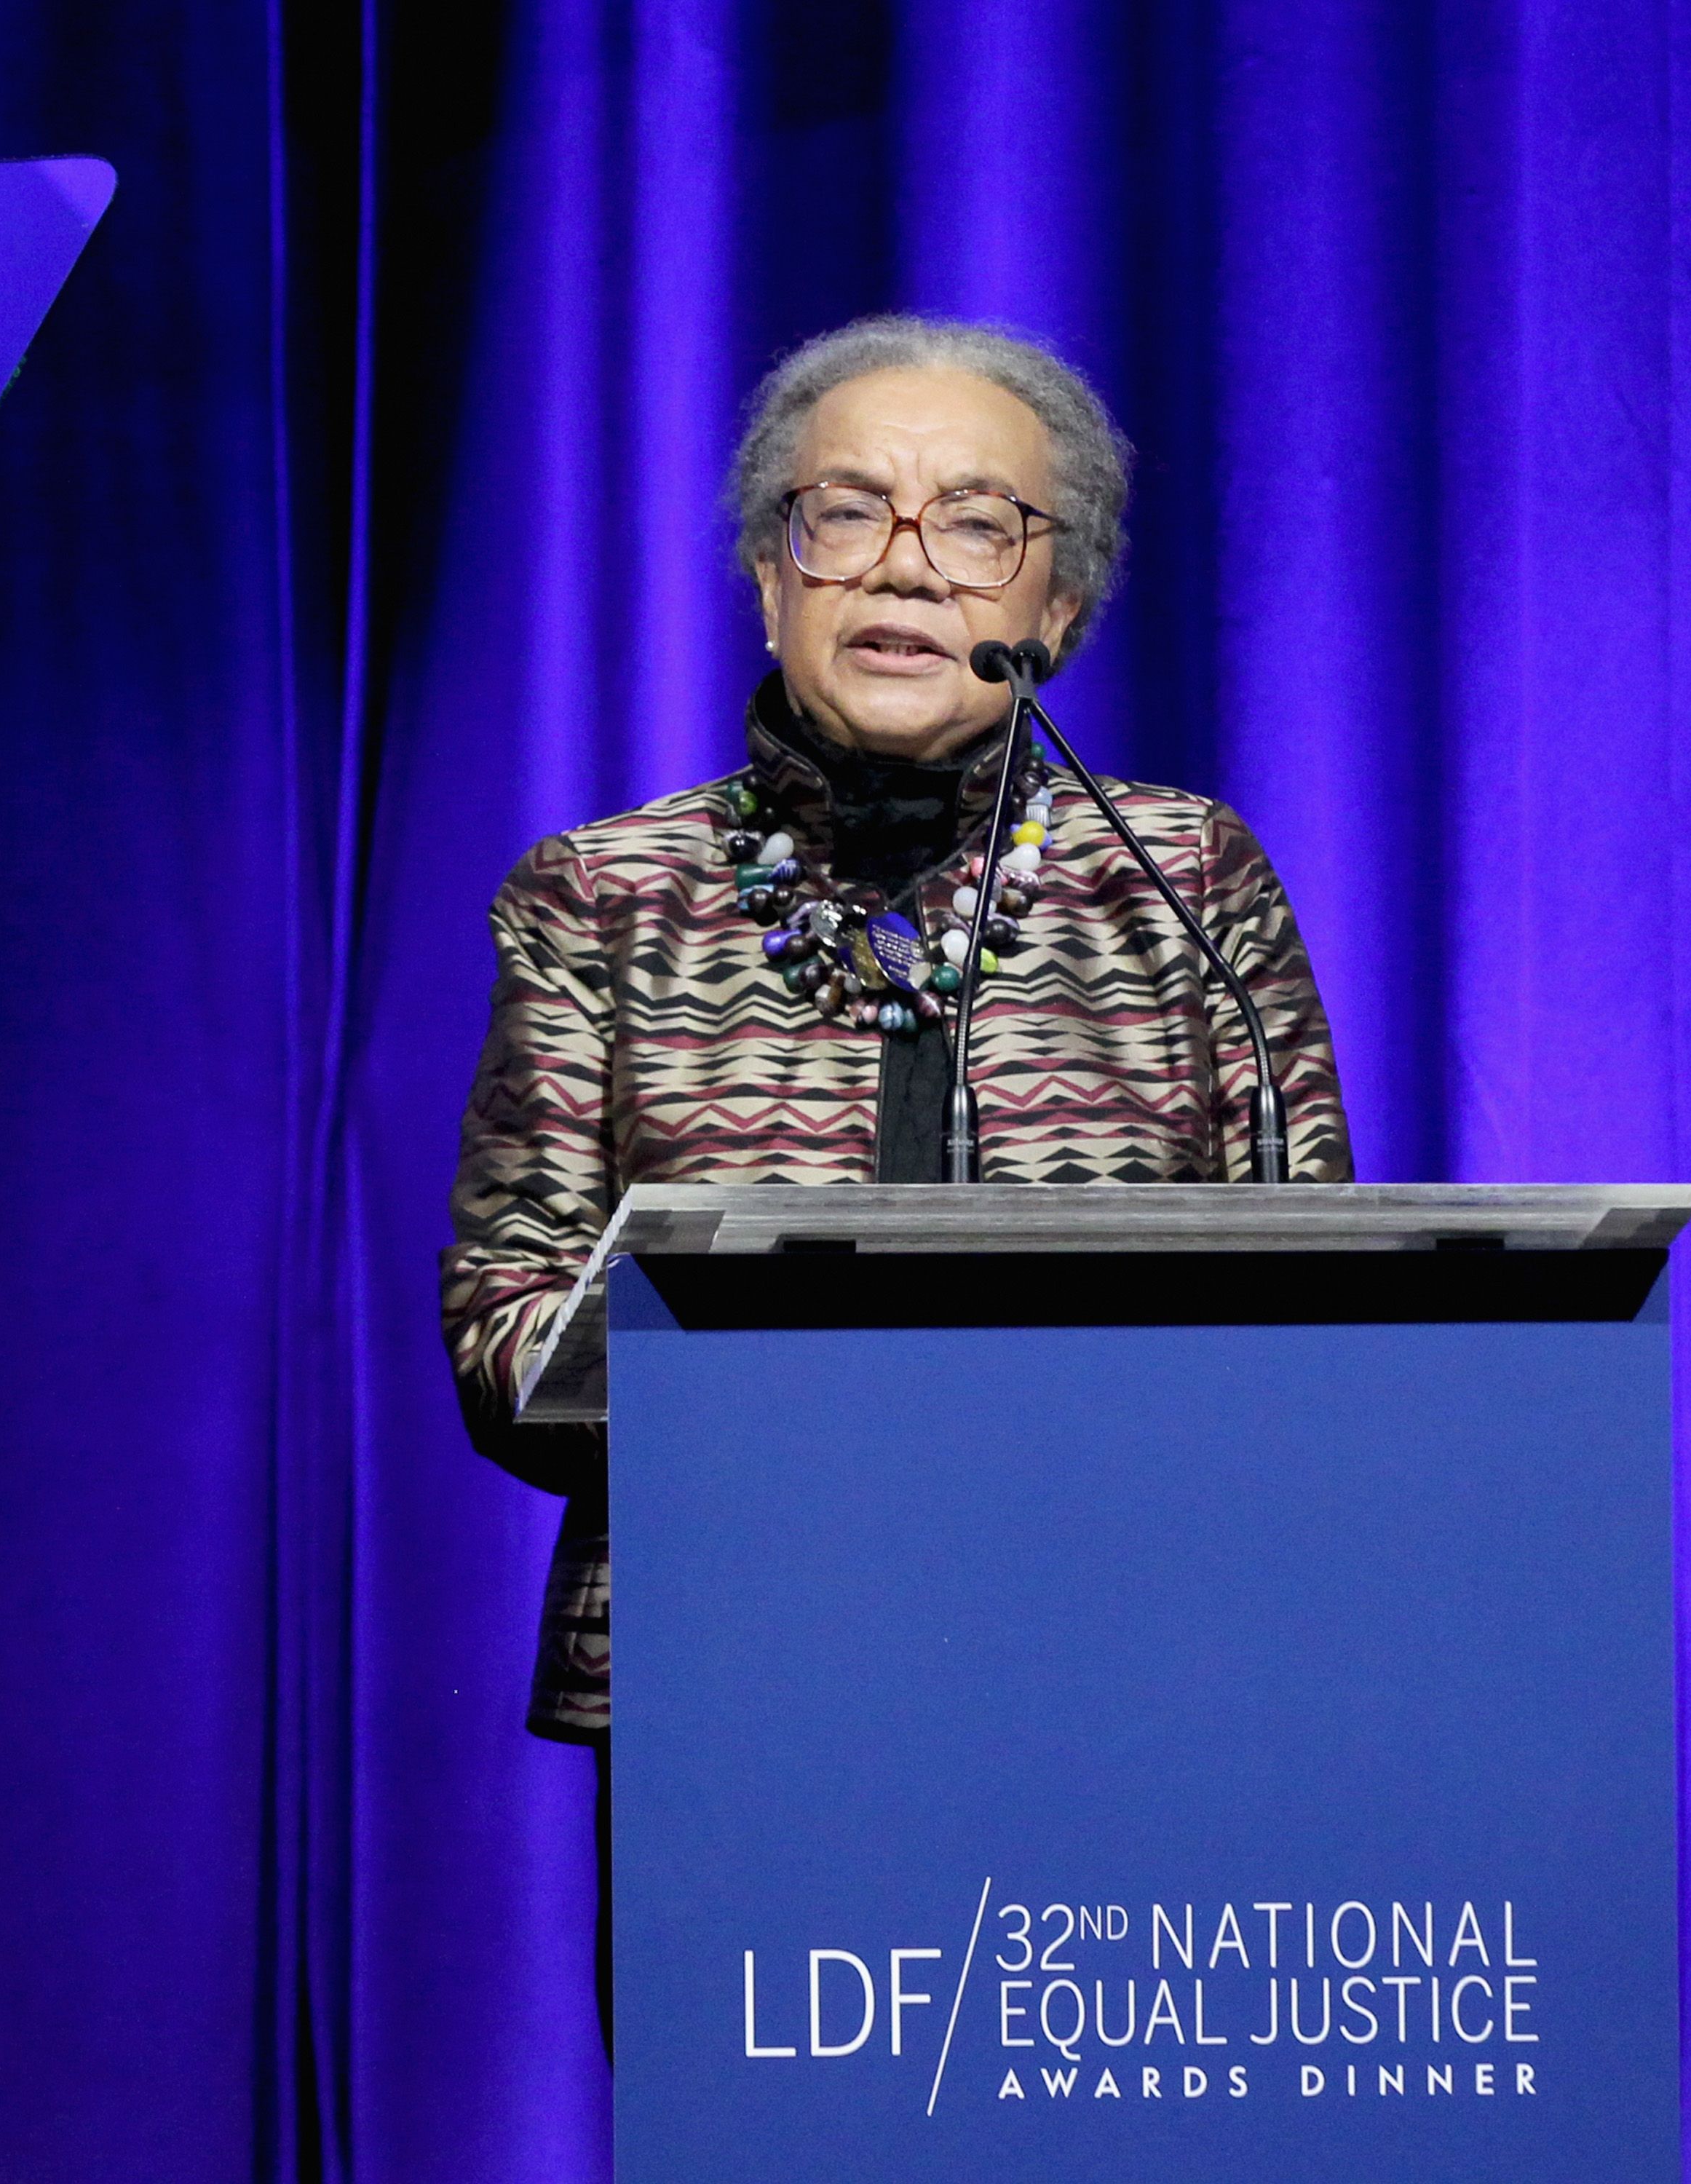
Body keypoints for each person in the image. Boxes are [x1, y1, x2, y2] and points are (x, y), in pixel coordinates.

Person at [437, 313, 1353, 2041]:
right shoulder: (605, 900)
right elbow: (506, 1338)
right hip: (736, 1688)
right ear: (768, 580)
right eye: (845, 512)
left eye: (980, 524)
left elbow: (1321, 1309)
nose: (907, 564)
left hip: (1133, 1677)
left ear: (1056, 610)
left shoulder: (1183, 881)